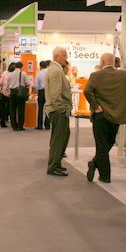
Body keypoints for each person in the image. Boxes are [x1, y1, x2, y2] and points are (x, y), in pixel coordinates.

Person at [84, 53, 126, 183]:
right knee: (109, 143)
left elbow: (87, 91)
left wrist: (95, 106)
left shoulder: (95, 75)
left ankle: (103, 174)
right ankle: (95, 165)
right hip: (117, 116)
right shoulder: (125, 75)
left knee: (101, 146)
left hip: (101, 115)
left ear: (102, 61)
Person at [45, 47, 72, 177]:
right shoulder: (56, 70)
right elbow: (56, 94)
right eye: (64, 55)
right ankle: (53, 166)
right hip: (58, 111)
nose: (66, 58)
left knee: (62, 137)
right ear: (57, 56)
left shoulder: (55, 69)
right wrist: (62, 109)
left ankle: (56, 164)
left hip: (57, 110)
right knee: (59, 139)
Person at [7, 61, 32, 131]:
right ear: (21, 67)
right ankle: (20, 126)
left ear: (15, 66)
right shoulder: (23, 73)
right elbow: (28, 83)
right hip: (20, 93)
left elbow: (7, 84)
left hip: (12, 93)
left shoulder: (10, 74)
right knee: (21, 109)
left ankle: (14, 126)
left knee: (12, 110)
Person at [0, 62, 15, 128]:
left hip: (2, 93)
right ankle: (11, 121)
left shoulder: (4, 73)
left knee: (2, 108)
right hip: (9, 94)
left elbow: (0, 82)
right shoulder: (12, 75)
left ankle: (2, 122)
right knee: (10, 108)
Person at [35, 60, 50, 130]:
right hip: (48, 92)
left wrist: (38, 89)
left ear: (40, 66)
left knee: (40, 109)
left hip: (41, 92)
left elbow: (36, 85)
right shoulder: (49, 73)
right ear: (46, 66)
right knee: (48, 108)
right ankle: (47, 125)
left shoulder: (38, 74)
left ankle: (39, 125)